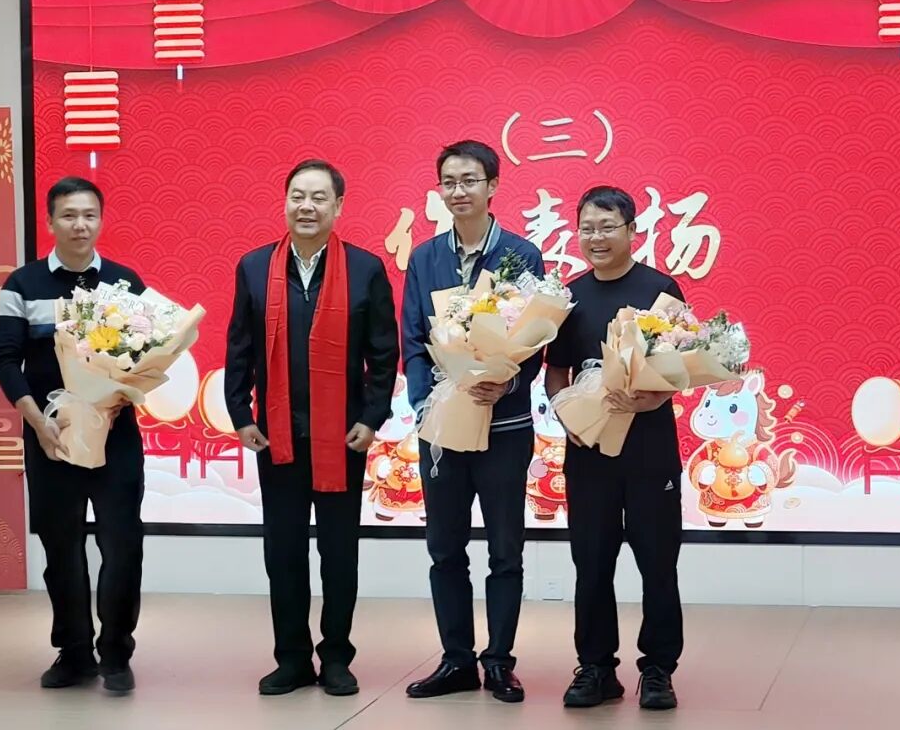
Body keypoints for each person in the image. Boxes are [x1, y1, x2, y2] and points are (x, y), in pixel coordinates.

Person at [224, 159, 399, 697]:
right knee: (283, 554)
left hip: (341, 438)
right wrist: (241, 416)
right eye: (298, 195)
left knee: (339, 553)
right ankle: (293, 658)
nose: (307, 206)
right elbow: (239, 349)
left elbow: (383, 353)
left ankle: (337, 657)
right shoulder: (254, 267)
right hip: (275, 436)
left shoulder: (365, 269)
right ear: (285, 202)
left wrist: (371, 417)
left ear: (338, 206)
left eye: (319, 197)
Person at [402, 140, 544, 704]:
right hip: (442, 426)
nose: (458, 191)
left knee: (505, 549)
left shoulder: (521, 255)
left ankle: (499, 662)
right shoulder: (424, 258)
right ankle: (456, 660)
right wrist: (424, 404)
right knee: (445, 549)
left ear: (493, 186)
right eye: (449, 182)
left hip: (504, 426)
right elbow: (414, 340)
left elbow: (536, 339)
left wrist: (506, 383)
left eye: (469, 180)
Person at [0, 176, 145, 695]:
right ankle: (74, 652)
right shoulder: (21, 285)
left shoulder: (124, 284)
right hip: (50, 435)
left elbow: (145, 357)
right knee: (61, 546)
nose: (80, 225)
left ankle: (116, 653)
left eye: (89, 215)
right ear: (51, 221)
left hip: (115, 437)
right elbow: (5, 359)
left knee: (122, 545)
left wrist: (119, 396)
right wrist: (37, 421)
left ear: (101, 220)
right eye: (69, 215)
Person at [544, 185, 685, 711]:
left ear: (632, 231)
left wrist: (654, 397)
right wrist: (566, 414)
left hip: (650, 452)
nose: (596, 238)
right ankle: (596, 668)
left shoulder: (660, 289)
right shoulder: (569, 297)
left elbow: (681, 366)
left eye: (607, 227)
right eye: (587, 228)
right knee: (592, 563)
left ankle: (658, 670)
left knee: (658, 564)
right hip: (590, 453)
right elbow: (556, 371)